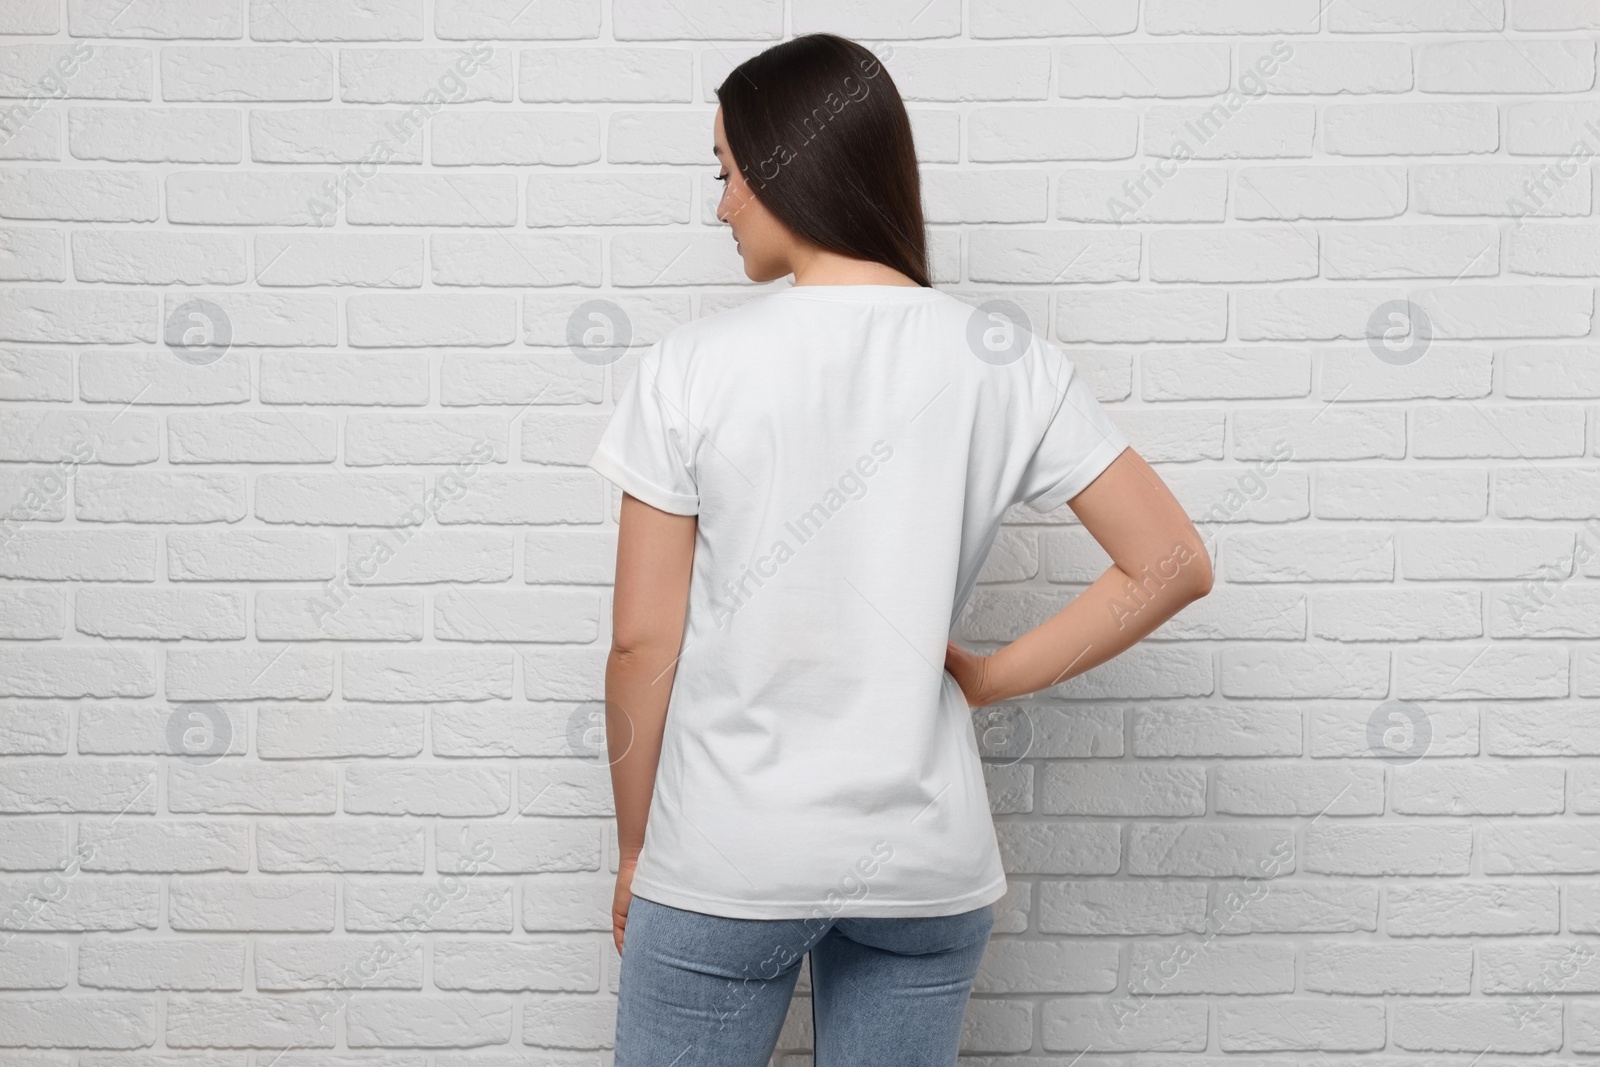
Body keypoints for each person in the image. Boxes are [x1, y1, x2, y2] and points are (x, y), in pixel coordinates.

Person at [588, 32, 1213, 1067]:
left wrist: (633, 848)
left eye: (726, 172)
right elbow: (1173, 560)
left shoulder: (686, 368)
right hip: (923, 867)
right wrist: (988, 677)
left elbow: (640, 642)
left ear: (786, 166)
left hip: (726, 858)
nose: (720, 205)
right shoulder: (999, 358)